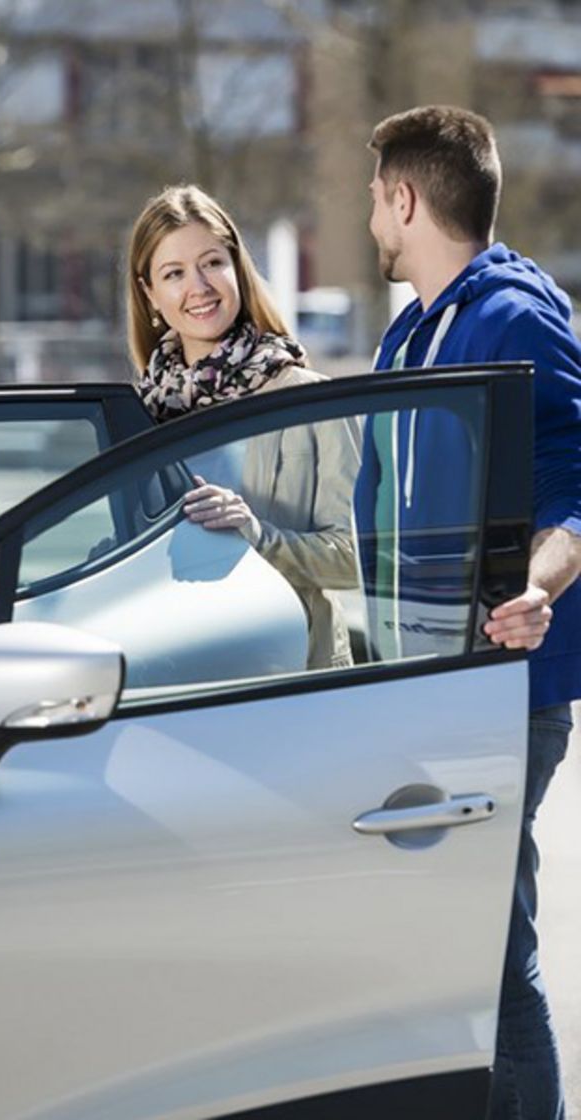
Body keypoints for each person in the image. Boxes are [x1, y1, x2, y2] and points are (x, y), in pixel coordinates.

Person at [361, 104, 581, 1120]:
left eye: (376, 197)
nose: (371, 216)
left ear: (405, 199)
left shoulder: (516, 315)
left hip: (501, 687)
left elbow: (576, 483)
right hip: (424, 680)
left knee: (491, 950)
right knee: (456, 949)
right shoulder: (411, 330)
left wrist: (538, 584)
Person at [126, 184, 360, 669]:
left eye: (212, 262)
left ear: (237, 267)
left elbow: (357, 559)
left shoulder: (310, 398)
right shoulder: (139, 416)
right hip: (179, 676)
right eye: (174, 273)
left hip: (294, 679)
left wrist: (258, 535)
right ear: (150, 293)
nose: (200, 287)